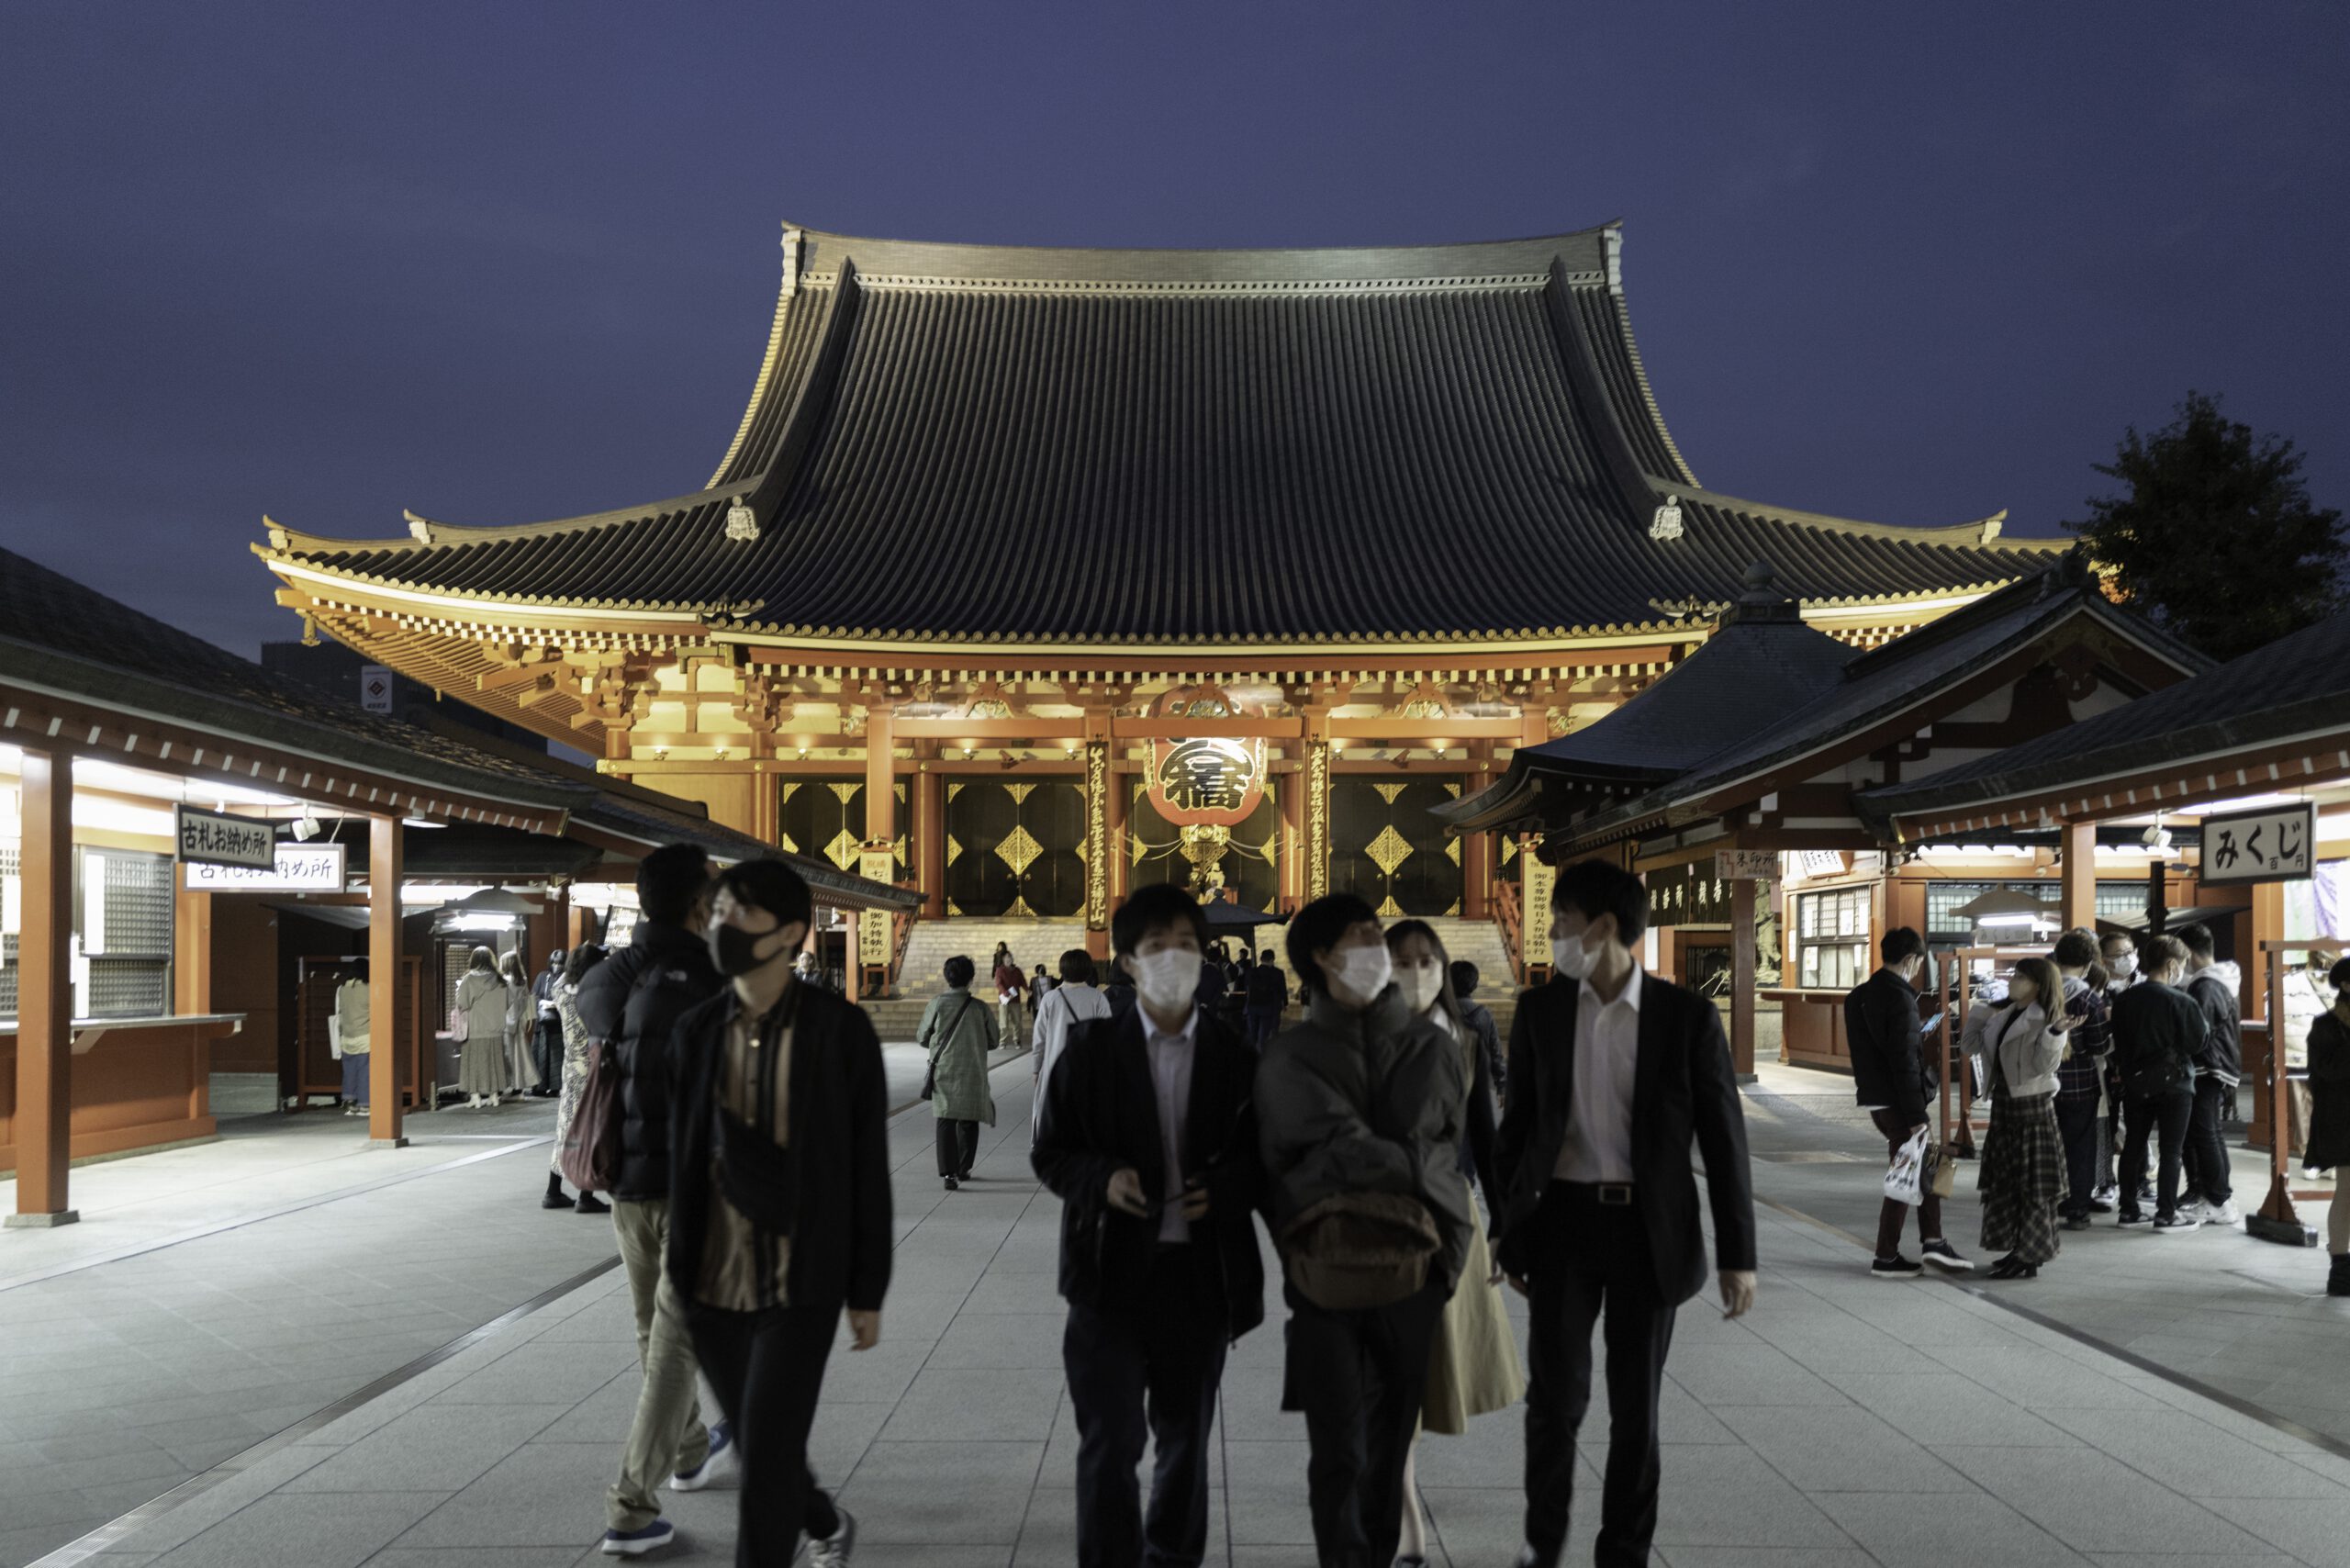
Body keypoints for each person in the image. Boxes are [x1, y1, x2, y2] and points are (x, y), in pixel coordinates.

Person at [1494, 859, 1756, 1568]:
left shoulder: (1685, 1019)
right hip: (1563, 1228)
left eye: (1561, 922)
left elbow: (1724, 1141)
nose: (1552, 935)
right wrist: (1507, 1232)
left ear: (1604, 927)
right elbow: (1516, 1130)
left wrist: (1740, 1256)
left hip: (1649, 1233)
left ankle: (1625, 1553)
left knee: (1635, 1410)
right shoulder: (1543, 1012)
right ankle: (1541, 1545)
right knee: (1555, 1403)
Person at [1032, 884, 1264, 1568]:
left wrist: (1223, 1190)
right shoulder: (1090, 1052)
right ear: (1127, 962)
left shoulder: (1236, 1059)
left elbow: (1265, 1162)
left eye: (1186, 946)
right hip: (1107, 1279)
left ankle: (1171, 1557)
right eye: (1155, 947)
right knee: (1108, 1445)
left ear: (1206, 958)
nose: (1172, 958)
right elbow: (1051, 1152)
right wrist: (1101, 1178)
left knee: (1186, 1443)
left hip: (1199, 1280)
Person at [666, 857, 890, 1568]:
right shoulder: (695, 1031)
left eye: (743, 913)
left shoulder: (840, 1030)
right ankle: (823, 1518)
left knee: (763, 1460)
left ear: (791, 933)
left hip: (802, 1276)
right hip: (711, 1277)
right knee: (765, 1441)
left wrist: (867, 1288)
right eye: (720, 909)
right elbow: (683, 1159)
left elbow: (864, 1167)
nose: (723, 925)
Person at [1258, 892, 1470, 1568]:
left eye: (1380, 933)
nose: (1377, 947)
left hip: (1417, 1275)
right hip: (1324, 1277)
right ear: (1321, 956)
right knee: (1339, 1449)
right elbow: (1293, 1158)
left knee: (1389, 1445)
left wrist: (1446, 1257)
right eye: (1362, 935)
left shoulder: (1431, 1045)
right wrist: (1408, 1161)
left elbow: (1449, 1152)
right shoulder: (1291, 1057)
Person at [578, 846, 735, 1558]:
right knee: (674, 1345)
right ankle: (631, 1510)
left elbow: (591, 1010)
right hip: (691, 1187)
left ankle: (691, 1449)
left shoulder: (618, 974)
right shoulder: (709, 979)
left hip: (628, 1185)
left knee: (655, 1334)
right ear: (699, 906)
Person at [1387, 921, 1524, 1568]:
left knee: (1424, 1370)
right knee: (1388, 1379)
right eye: (1402, 961)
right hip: (1379, 1225)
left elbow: (1488, 1139)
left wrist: (1503, 1225)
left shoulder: (1464, 1041)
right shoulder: (1363, 1040)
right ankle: (1405, 1514)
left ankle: (1396, 1495)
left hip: (1450, 1216)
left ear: (1443, 970)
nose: (1416, 973)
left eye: (1426, 961)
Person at [1845, 927, 1971, 1278]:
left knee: (1924, 1165)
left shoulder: (1859, 995)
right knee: (1907, 1174)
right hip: (1900, 1102)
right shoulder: (1900, 998)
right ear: (1911, 959)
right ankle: (1888, 1255)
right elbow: (1903, 1060)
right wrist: (1917, 1115)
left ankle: (1933, 1240)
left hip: (1875, 1099)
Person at [1973, 958, 2074, 1280]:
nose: (2013, 980)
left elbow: (2045, 1065)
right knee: (2008, 1181)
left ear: (2038, 985)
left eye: (2020, 977)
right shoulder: (2004, 1014)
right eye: (2014, 974)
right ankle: (2017, 1248)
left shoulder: (2045, 1019)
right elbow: (1969, 1047)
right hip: (2004, 1103)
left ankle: (2030, 1255)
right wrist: (1977, 1012)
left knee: (2032, 1185)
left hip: (2031, 1105)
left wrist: (2055, 1034)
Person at [2110, 935, 2210, 1234]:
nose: (2182, 969)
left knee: (2133, 1147)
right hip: (2175, 1084)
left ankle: (2128, 1209)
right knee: (2171, 1151)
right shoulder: (2181, 1000)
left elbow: (2119, 1042)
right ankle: (2166, 1214)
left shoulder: (2125, 999)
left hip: (2136, 1083)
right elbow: (2197, 1042)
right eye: (2181, 964)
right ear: (2171, 965)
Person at [2176, 923, 2244, 1227]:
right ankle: (2216, 1196)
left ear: (2188, 952)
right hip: (2218, 1065)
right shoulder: (2220, 979)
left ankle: (2218, 1200)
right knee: (2208, 1133)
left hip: (2208, 1066)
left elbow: (2199, 1031)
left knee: (2205, 1133)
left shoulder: (2207, 985)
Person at [2051, 931, 2114, 1232]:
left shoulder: (2041, 992)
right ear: (2089, 964)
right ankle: (2077, 1208)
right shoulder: (2089, 998)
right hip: (2080, 1084)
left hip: (2042, 1083)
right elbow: (2099, 1045)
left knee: (2051, 1145)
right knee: (2080, 1147)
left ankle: (2051, 1202)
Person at [922, 956, 1000, 1190]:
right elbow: (994, 1040)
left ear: (947, 977)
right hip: (972, 1070)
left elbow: (922, 1036)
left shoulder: (936, 1004)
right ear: (971, 979)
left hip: (944, 1069)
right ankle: (964, 1167)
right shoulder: (979, 1008)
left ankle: (948, 1173)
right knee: (968, 1118)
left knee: (946, 1118)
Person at [550, 942, 611, 1215]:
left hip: (570, 1066)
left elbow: (565, 976)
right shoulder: (593, 994)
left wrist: (578, 958)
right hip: (590, 1065)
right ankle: (585, 1195)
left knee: (566, 1127)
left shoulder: (559, 991)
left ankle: (553, 1190)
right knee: (589, 1127)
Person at [1030, 948, 1111, 1145]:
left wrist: (1036, 1069)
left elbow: (1039, 1039)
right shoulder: (1097, 997)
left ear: (1062, 970)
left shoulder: (1050, 998)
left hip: (1055, 1068)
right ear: (1087, 970)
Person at [2306, 956, 2350, 1295]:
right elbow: (2325, 1075)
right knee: (2346, 1191)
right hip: (2342, 1120)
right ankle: (2340, 1269)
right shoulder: (2325, 1026)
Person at [2096, 931, 2145, 1208]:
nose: (2127, 958)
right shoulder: (2098, 990)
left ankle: (2140, 1181)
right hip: (2107, 1069)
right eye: (2118, 955)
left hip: (2139, 1069)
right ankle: (2105, 1183)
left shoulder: (2144, 983)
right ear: (2103, 960)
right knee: (2106, 1127)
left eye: (2130, 952)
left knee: (2138, 1129)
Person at [455, 946, 513, 1109]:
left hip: (474, 1029)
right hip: (496, 1029)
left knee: (473, 1063)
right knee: (494, 1063)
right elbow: (508, 1003)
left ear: (473, 960)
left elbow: (462, 1004)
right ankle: (494, 1095)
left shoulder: (468, 980)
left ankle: (476, 1097)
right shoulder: (500, 980)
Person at [1449, 960, 1506, 1110]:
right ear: (1474, 985)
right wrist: (1501, 1086)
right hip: (1480, 1083)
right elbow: (1496, 1054)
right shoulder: (1484, 1015)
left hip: (1447, 1084)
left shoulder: (1441, 1012)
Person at [333, 961, 371, 1117]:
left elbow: (338, 1012)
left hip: (346, 1037)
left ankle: (350, 1103)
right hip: (365, 1036)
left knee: (349, 1071)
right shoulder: (369, 989)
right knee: (365, 1071)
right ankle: (365, 1105)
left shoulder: (341, 989)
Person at [500, 950, 540, 1099]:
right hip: (519, 1021)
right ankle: (521, 1086)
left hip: (506, 1022)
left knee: (508, 1055)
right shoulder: (522, 980)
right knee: (521, 1054)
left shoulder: (504, 981)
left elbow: (503, 1003)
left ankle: (512, 1086)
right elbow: (524, 1003)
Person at [532, 947, 567, 1098]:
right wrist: (542, 1002)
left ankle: (555, 1087)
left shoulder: (568, 978)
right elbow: (534, 996)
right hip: (543, 1021)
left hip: (558, 1023)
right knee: (540, 1055)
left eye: (559, 963)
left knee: (556, 1056)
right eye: (553, 962)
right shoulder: (543, 976)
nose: (556, 965)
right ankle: (539, 1087)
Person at [1243, 946, 1288, 1052]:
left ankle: (1252, 1055)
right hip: (1269, 1007)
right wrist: (1284, 1003)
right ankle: (1263, 1054)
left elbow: (1247, 988)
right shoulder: (1278, 973)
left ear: (1261, 959)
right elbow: (1283, 990)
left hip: (1252, 1006)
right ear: (1272, 960)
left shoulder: (1250, 972)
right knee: (1264, 1034)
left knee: (1252, 1033)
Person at [993, 947, 1028, 1050]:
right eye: (1007, 957)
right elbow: (998, 983)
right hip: (1004, 1000)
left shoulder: (1017, 970)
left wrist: (1027, 990)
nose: (1009, 959)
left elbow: (1022, 981)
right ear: (1003, 959)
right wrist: (1005, 992)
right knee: (1003, 1022)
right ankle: (1002, 1041)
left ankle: (1017, 1040)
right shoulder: (1000, 970)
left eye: (1010, 957)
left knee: (1017, 1021)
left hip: (1015, 1000)